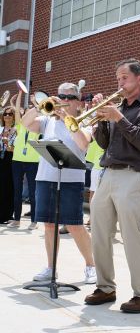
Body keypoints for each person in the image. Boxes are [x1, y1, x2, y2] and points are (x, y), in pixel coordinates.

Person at [84, 58, 140, 313]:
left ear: (139, 78)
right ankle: (105, 287)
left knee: (131, 236)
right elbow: (104, 143)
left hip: (133, 174)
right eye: (117, 78)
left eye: (124, 77)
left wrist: (118, 117)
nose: (119, 82)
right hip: (108, 173)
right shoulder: (116, 107)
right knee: (99, 233)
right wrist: (100, 119)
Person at [22, 82, 96, 284]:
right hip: (46, 178)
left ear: (78, 102)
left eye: (68, 97)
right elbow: (25, 123)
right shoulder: (47, 121)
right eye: (60, 96)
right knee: (48, 225)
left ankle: (91, 266)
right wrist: (39, 106)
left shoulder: (86, 122)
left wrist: (67, 119)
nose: (62, 100)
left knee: (75, 226)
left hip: (72, 180)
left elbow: (82, 144)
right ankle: (51, 268)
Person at [7, 91, 40, 230]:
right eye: (25, 113)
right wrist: (20, 94)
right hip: (17, 160)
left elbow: (42, 111)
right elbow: (17, 110)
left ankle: (34, 220)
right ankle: (17, 219)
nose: (26, 116)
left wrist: (36, 103)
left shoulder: (38, 126)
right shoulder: (20, 125)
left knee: (33, 191)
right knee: (17, 190)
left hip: (33, 161)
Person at [0, 107, 17, 223]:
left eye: (10, 114)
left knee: (8, 186)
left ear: (14, 116)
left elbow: (16, 149)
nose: (7, 116)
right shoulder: (0, 129)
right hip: (0, 158)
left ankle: (7, 214)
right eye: (5, 114)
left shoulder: (16, 130)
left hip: (10, 159)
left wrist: (7, 144)